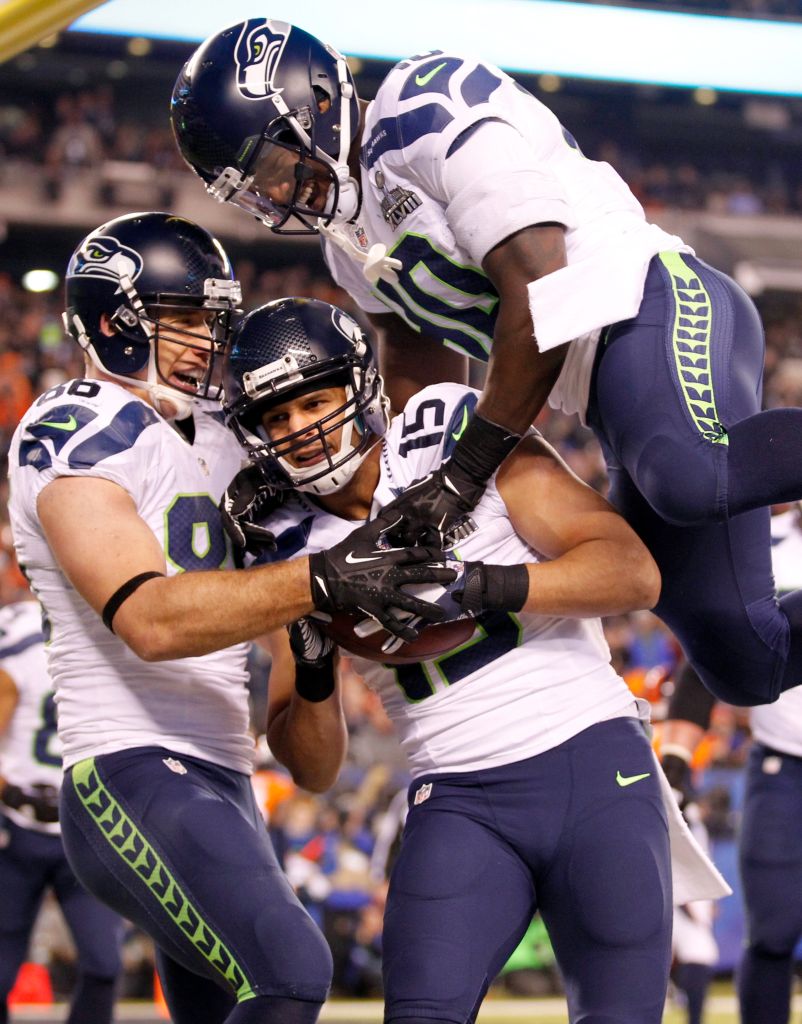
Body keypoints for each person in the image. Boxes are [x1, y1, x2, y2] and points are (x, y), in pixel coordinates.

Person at [171, 17, 802, 709]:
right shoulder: (344, 240)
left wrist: (464, 474)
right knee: (746, 658)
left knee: (689, 476)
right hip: (602, 389)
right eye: (247, 190)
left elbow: (541, 290)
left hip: (649, 300)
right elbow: (418, 371)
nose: (270, 197)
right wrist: (378, 497)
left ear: (315, 102)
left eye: (269, 167)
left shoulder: (422, 107)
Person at [220, 295, 730, 1024]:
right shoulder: (283, 547)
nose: (300, 429)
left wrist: (477, 585)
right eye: (277, 416)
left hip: (590, 759)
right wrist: (310, 665)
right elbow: (316, 768)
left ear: (359, 387)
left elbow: (631, 572)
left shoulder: (447, 440)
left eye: (314, 401)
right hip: (456, 794)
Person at [5, 211, 457, 1024]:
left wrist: (314, 665)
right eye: (183, 319)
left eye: (211, 320)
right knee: (291, 972)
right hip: (127, 766)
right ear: (113, 323)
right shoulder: (75, 426)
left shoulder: (231, 442)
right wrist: (319, 579)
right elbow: (149, 621)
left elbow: (315, 767)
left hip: (225, 778)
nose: (205, 342)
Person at [661, 503, 802, 1024]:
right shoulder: (764, 548)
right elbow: (711, 655)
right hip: (782, 766)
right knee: (773, 931)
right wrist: (676, 763)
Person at [0, 598, 124, 1024]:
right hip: (17, 826)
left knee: (104, 965)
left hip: (88, 826)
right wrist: (13, 793)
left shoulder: (117, 624)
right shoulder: (19, 637)